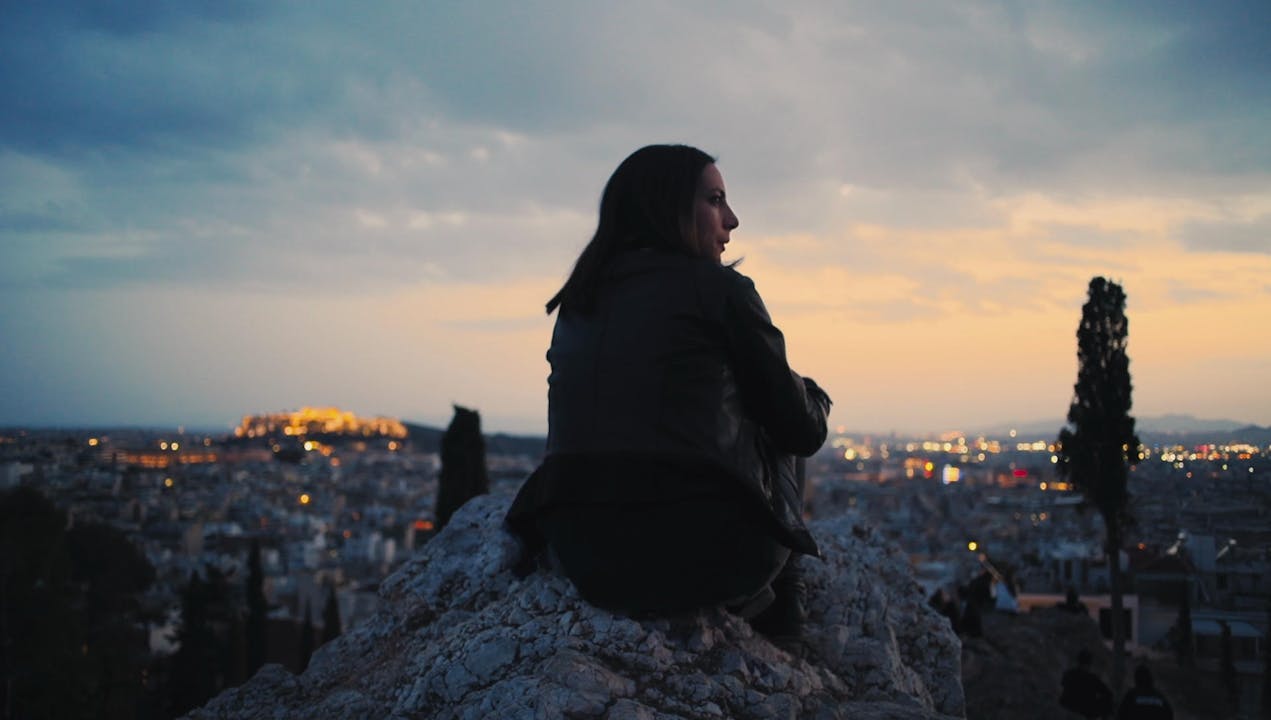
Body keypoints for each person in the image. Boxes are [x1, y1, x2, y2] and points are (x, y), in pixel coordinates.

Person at [505, 144, 831, 635]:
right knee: (788, 400)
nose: (733, 219)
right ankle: (784, 603)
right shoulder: (722, 291)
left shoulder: (578, 303)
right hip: (709, 558)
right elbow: (800, 431)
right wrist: (814, 397)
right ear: (669, 208)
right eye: (716, 200)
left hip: (587, 560)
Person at [1060, 649, 1114, 719]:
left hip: (1067, 711)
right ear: (1089, 664)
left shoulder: (1069, 674)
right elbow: (1108, 693)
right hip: (1085, 713)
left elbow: (1061, 689)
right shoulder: (1092, 679)